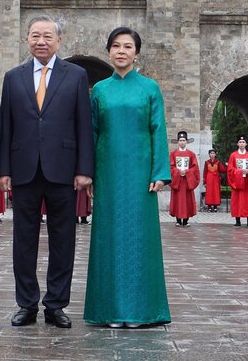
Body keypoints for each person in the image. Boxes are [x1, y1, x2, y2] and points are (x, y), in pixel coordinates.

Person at [0, 15, 93, 329]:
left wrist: (84, 169)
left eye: (47, 36)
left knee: (63, 240)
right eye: (36, 35)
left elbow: (83, 125)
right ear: (27, 39)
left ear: (58, 41)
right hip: (23, 170)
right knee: (23, 241)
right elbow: (5, 126)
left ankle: (55, 304)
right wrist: (4, 170)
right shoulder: (13, 77)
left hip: (63, 171)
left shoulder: (76, 75)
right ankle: (26, 304)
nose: (41, 41)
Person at [84, 27, 171, 327]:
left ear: (136, 53)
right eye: (116, 46)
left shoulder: (150, 88)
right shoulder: (99, 90)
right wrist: (89, 173)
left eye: (128, 47)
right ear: (108, 51)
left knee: (139, 238)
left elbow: (158, 129)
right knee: (109, 237)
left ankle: (141, 310)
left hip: (140, 173)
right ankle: (108, 310)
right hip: (107, 172)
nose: (122, 51)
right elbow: (91, 133)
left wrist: (160, 171)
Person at [168, 131, 199, 226]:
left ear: (186, 141)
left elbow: (195, 167)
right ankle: (178, 220)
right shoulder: (173, 154)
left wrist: (187, 172)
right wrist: (177, 172)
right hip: (177, 181)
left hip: (187, 181)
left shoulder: (191, 154)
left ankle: (185, 220)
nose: (182, 142)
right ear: (178, 141)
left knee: (187, 200)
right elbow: (170, 167)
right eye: (180, 140)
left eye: (184, 140)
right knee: (177, 200)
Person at [226, 137, 248, 226]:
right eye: (240, 142)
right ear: (237, 144)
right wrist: (240, 172)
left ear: (246, 144)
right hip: (238, 182)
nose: (241, 143)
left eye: (243, 142)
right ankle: (237, 221)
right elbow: (230, 169)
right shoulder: (233, 155)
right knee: (237, 201)